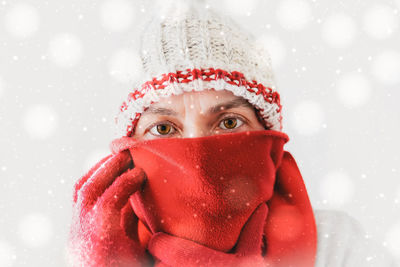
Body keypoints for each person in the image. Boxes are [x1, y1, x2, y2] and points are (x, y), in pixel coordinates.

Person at [67, 1, 396, 266]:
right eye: (164, 128)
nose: (199, 154)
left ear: (269, 136)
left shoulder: (338, 247)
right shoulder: (103, 258)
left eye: (228, 122)